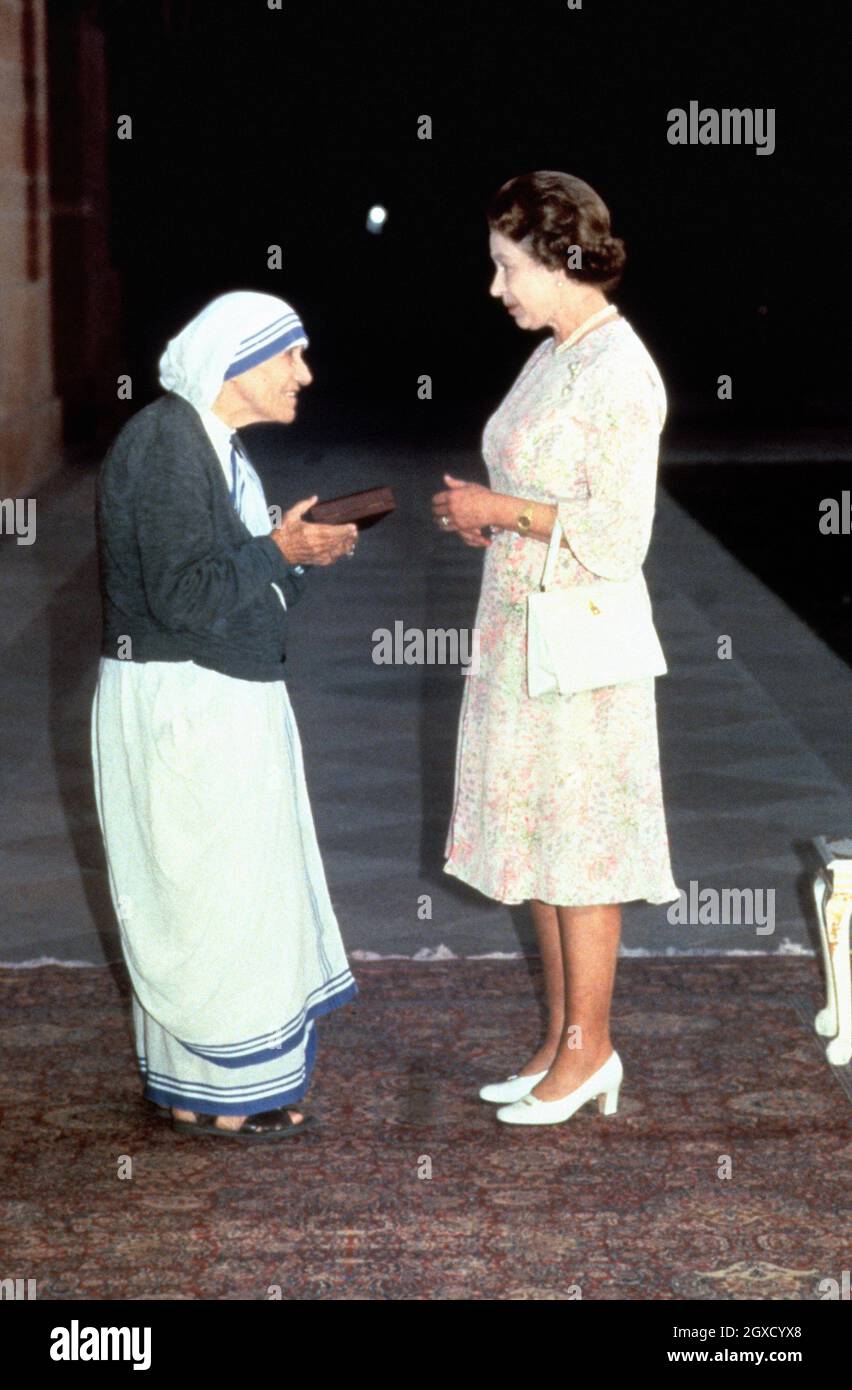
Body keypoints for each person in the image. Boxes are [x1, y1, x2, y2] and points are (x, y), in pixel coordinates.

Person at [431, 172, 680, 1127]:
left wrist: (503, 511)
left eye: (506, 267)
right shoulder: (553, 353)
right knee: (535, 833)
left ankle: (593, 1049)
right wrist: (491, 523)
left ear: (559, 260)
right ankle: (559, 1042)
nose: (496, 288)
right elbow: (541, 490)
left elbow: (619, 536)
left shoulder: (622, 369)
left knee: (581, 846)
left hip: (581, 645)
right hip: (518, 626)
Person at [91, 290, 358, 1142]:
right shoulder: (169, 444)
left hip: (211, 696)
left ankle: (198, 1090)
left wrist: (293, 551)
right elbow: (183, 597)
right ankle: (222, 1100)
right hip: (187, 705)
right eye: (292, 357)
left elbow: (225, 574)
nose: (305, 375)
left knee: (220, 894)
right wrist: (282, 549)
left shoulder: (205, 441)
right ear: (239, 362)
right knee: (205, 900)